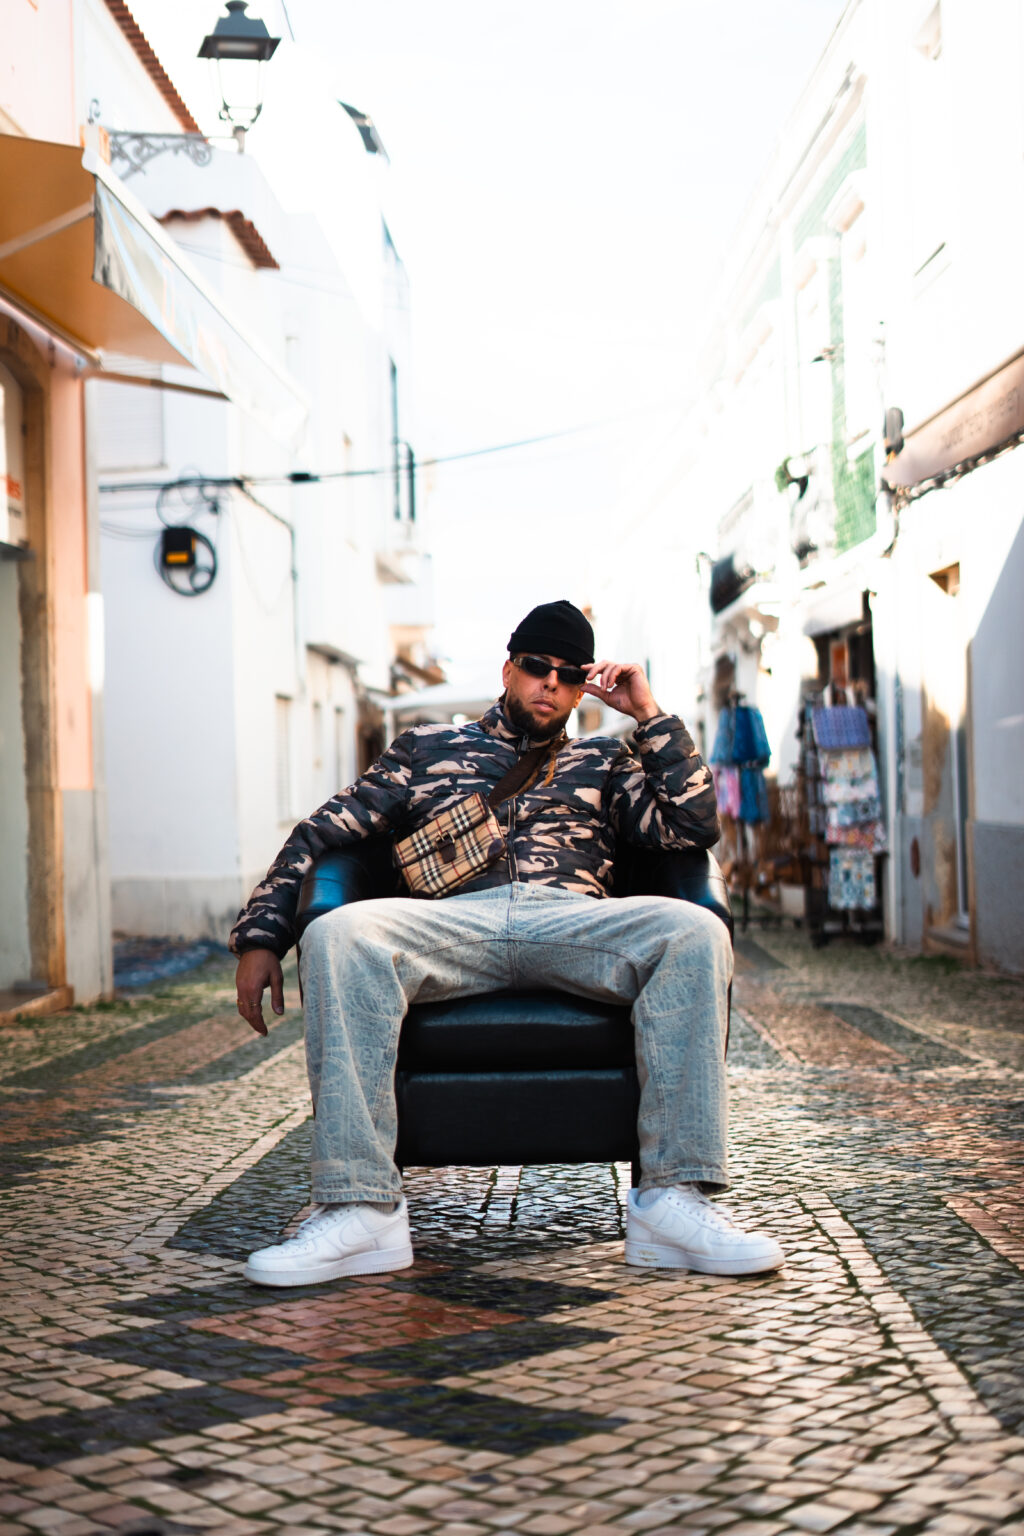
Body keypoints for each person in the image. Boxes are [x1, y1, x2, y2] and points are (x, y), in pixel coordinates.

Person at [232, 600, 784, 1286]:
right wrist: (262, 935)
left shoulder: (606, 761)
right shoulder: (425, 749)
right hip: (454, 926)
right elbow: (321, 833)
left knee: (695, 929)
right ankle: (360, 1208)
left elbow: (692, 827)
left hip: (573, 923)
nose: (550, 682)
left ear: (582, 690)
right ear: (508, 669)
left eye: (568, 674)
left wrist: (648, 715)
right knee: (339, 931)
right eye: (535, 666)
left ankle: (674, 1200)